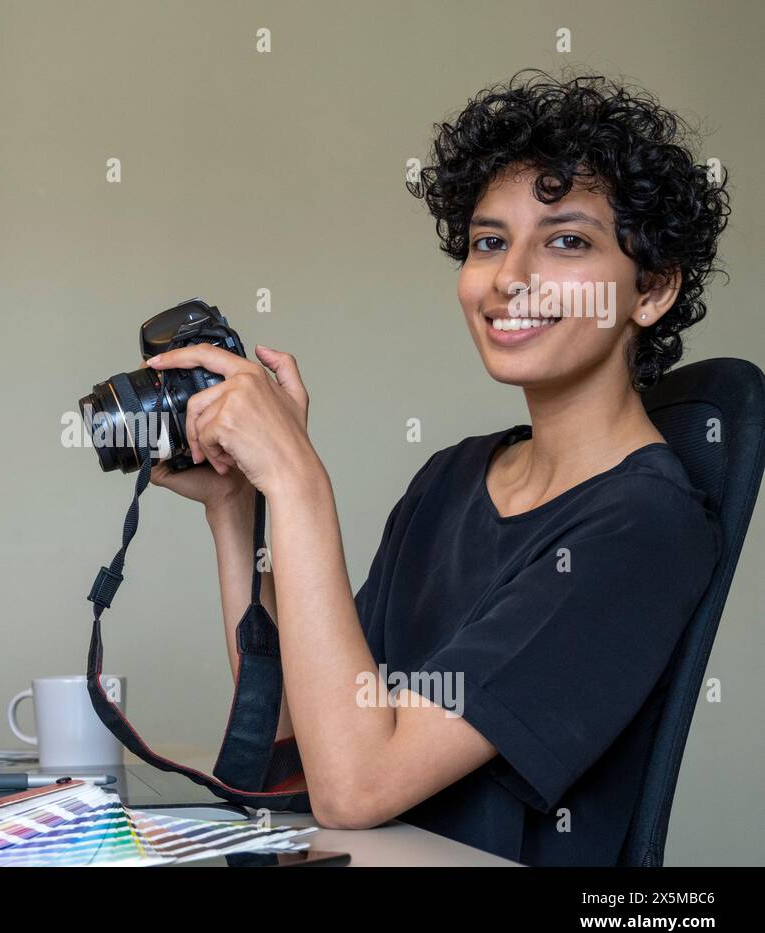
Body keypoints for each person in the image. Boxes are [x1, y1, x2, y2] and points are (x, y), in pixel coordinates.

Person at [148, 71, 730, 865]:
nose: (508, 277)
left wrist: (300, 481)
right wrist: (238, 507)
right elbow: (298, 744)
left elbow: (355, 786)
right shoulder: (452, 480)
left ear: (653, 289)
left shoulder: (644, 527)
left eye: (567, 241)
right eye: (490, 241)